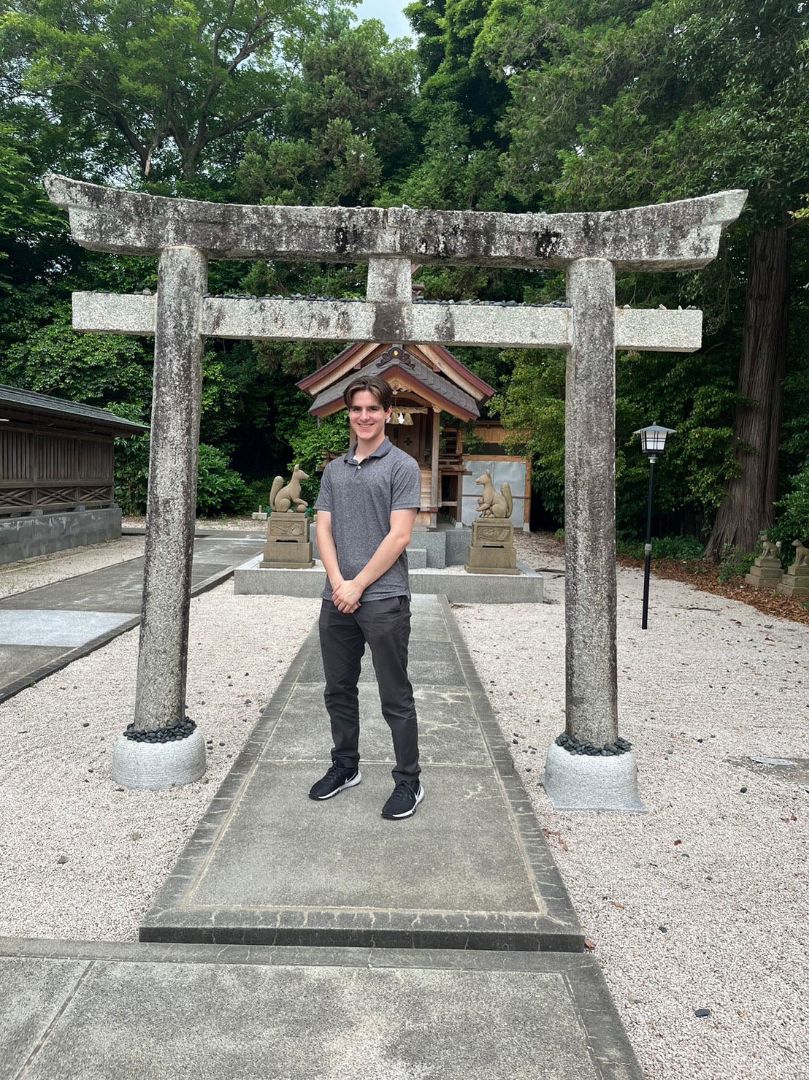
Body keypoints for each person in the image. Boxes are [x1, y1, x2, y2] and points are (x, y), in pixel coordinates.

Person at [308, 374, 424, 819]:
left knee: (394, 694)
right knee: (338, 688)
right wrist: (339, 582)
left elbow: (400, 535)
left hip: (384, 596)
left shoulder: (402, 466)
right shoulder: (334, 470)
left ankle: (408, 781)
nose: (364, 417)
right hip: (335, 596)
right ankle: (345, 765)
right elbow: (323, 527)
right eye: (356, 409)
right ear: (348, 414)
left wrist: (359, 585)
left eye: (372, 409)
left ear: (387, 413)